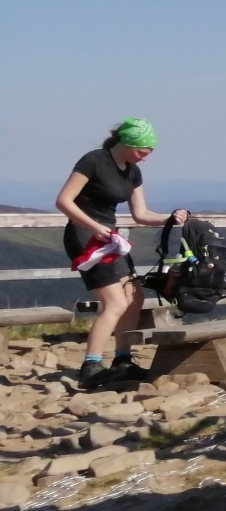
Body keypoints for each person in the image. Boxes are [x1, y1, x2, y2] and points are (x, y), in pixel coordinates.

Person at [55, 118, 187, 391]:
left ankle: (122, 359)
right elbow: (63, 201)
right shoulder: (93, 161)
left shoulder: (133, 172)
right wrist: (93, 226)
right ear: (126, 143)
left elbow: (141, 214)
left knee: (134, 297)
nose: (145, 158)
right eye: (142, 151)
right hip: (85, 236)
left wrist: (170, 218)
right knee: (114, 302)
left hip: (111, 239)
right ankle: (90, 365)